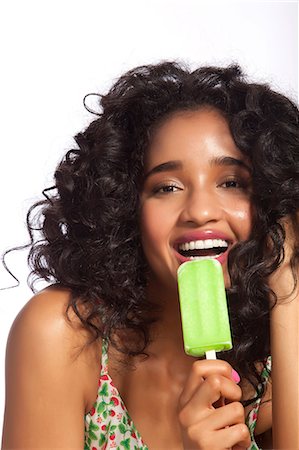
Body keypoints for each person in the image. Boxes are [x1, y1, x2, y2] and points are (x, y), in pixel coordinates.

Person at [1, 62, 298, 450]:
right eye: (167, 187)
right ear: (126, 207)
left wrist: (287, 285)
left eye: (231, 183)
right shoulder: (61, 335)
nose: (199, 210)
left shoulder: (280, 351)